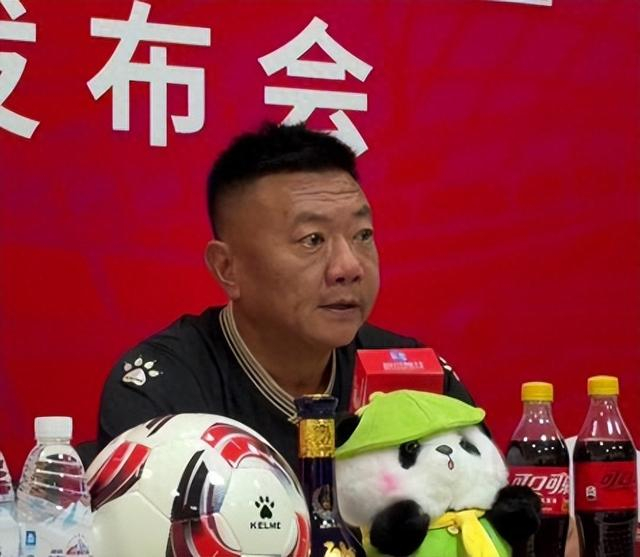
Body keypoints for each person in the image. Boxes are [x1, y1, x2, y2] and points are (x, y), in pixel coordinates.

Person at [97, 122, 477, 470]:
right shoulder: (165, 391)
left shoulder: (413, 377)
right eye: (312, 240)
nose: (349, 266)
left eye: (362, 235)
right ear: (228, 268)